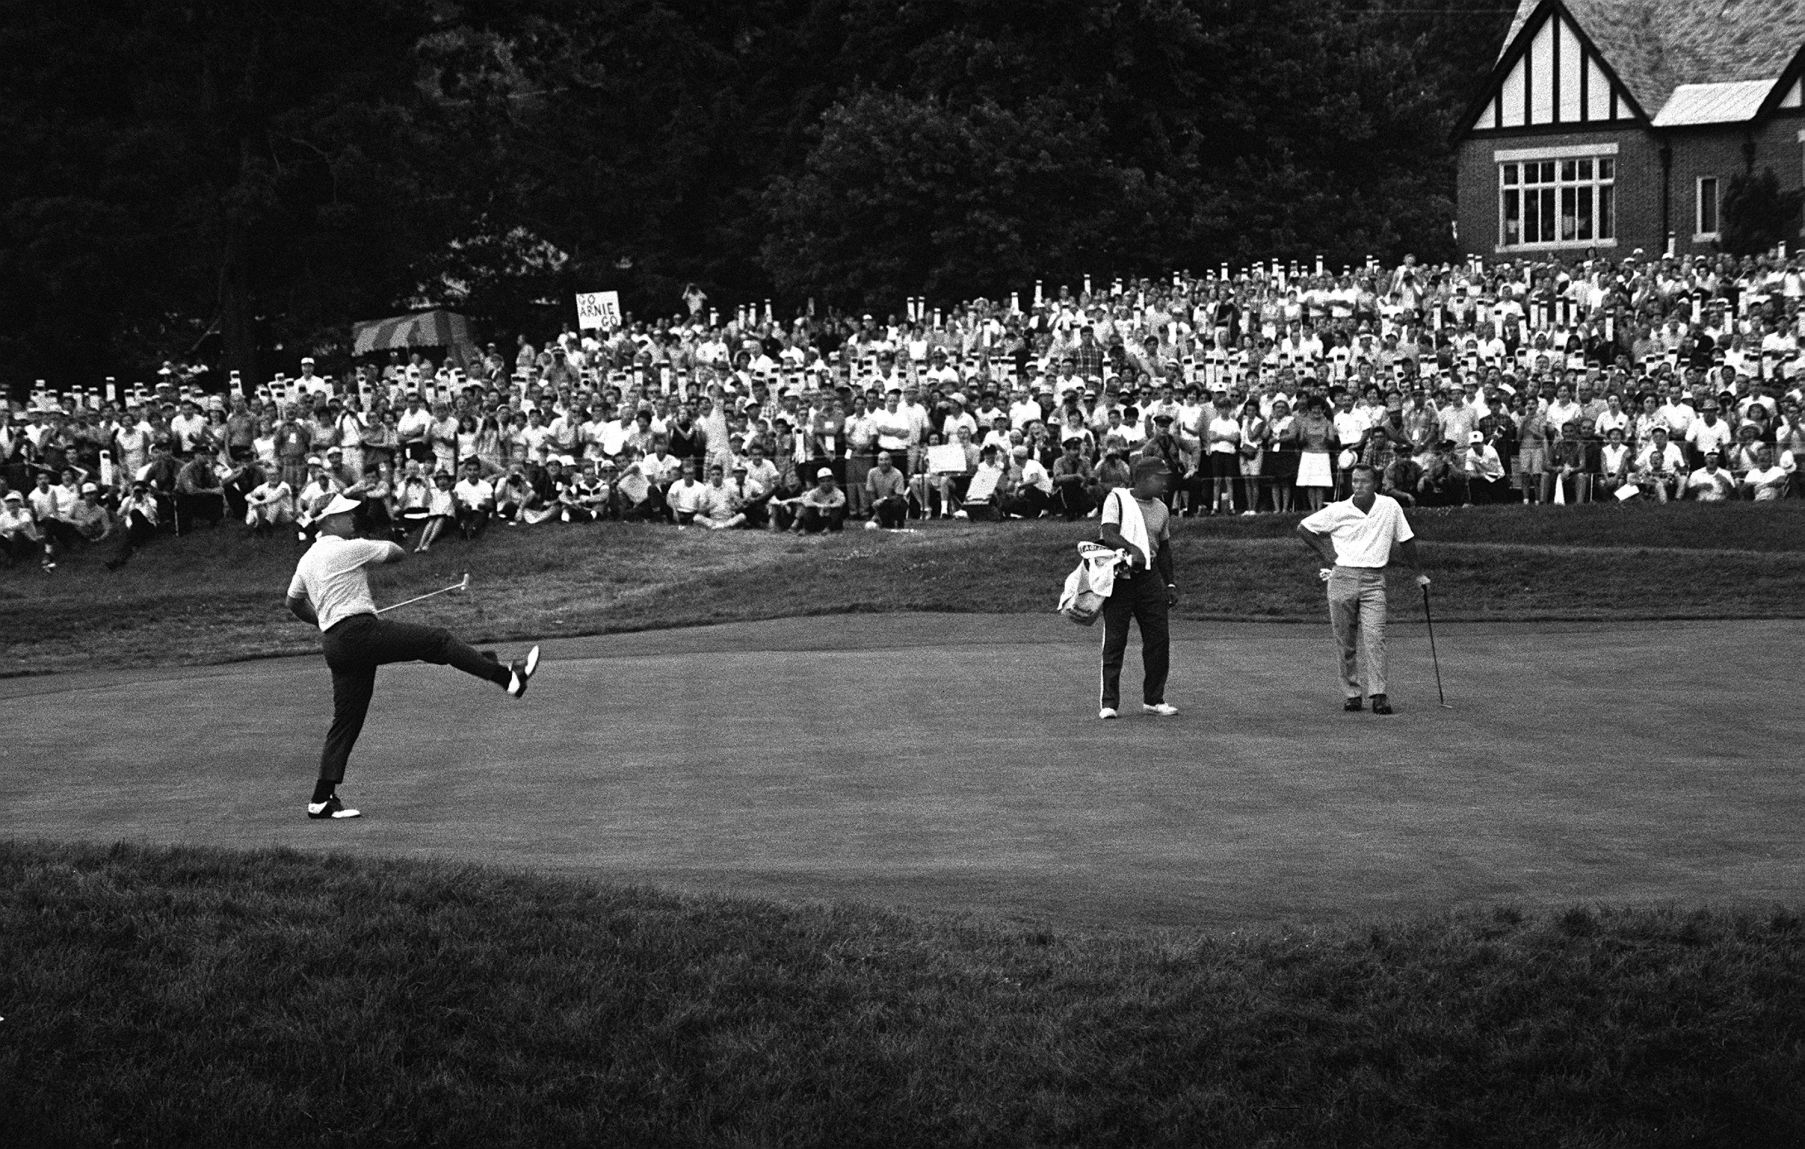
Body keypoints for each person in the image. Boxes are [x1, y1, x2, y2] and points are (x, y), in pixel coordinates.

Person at [285, 493, 540, 820]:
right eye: (345, 513)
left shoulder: (306, 559)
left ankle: (321, 799)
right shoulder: (348, 547)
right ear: (327, 521)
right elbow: (397, 552)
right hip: (359, 633)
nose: (352, 516)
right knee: (438, 640)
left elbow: (293, 602)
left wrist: (322, 619)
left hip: (335, 643)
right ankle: (509, 678)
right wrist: (368, 546)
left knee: (346, 721)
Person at [1295, 463, 1430, 715]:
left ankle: (1379, 694)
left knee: (1375, 637)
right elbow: (1304, 528)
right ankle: (1352, 693)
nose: (1358, 486)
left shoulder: (1390, 507)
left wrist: (1419, 573)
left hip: (1374, 580)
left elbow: (1406, 539)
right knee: (1345, 641)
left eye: (1364, 481)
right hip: (1342, 577)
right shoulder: (1339, 509)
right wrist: (1327, 553)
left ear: (1375, 484)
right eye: (1354, 481)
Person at [1096, 456, 1180, 720]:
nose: (1165, 482)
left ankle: (1154, 699)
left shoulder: (1162, 508)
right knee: (1115, 640)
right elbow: (1108, 533)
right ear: (1144, 478)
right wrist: (1133, 549)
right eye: (1160, 477)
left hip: (1150, 577)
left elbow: (1164, 549)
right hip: (1122, 576)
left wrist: (1169, 583)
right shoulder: (1118, 499)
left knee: (1158, 639)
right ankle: (1109, 702)